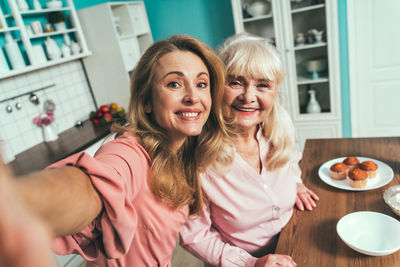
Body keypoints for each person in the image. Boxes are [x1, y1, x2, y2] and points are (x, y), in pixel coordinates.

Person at [0, 34, 229, 267]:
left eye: (202, 84)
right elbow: (93, 187)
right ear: (147, 101)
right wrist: (18, 203)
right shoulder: (131, 152)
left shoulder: (185, 153)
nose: (192, 97)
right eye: (174, 84)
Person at [179, 33, 319, 267]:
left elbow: (291, 160)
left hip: (294, 239)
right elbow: (194, 236)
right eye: (235, 82)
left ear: (275, 91)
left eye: (262, 85)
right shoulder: (196, 158)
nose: (248, 97)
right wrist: (250, 263)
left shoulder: (280, 125)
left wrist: (296, 182)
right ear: (217, 88)